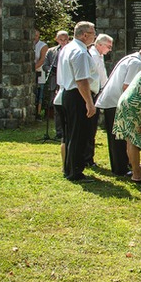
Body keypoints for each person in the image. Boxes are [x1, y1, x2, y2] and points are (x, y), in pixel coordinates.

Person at [95, 43, 141, 176]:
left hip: (111, 100)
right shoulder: (136, 62)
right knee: (119, 137)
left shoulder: (131, 58)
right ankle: (121, 169)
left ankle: (124, 164)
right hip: (115, 101)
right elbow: (127, 86)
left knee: (118, 136)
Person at [58, 22, 97, 182]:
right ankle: (75, 171)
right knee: (79, 134)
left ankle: (69, 167)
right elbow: (81, 80)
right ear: (84, 35)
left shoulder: (69, 47)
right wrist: (89, 102)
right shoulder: (80, 52)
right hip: (77, 95)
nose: (94, 36)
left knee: (71, 134)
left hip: (68, 93)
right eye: (93, 33)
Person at [85, 33, 113, 167]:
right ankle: (87, 158)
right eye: (108, 46)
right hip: (93, 92)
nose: (110, 50)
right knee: (89, 128)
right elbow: (100, 77)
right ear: (99, 45)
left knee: (92, 127)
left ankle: (88, 157)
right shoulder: (93, 55)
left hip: (97, 91)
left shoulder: (99, 55)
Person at [44, 31, 70, 139]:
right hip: (54, 82)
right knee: (56, 108)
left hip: (67, 82)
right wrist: (51, 70)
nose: (63, 42)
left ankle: (68, 130)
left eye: (65, 39)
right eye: (61, 40)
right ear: (56, 39)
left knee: (67, 107)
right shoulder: (51, 51)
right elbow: (45, 66)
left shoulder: (71, 50)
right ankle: (59, 131)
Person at [33, 29, 48, 114]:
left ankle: (38, 113)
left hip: (39, 72)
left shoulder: (42, 45)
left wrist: (32, 69)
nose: (34, 37)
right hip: (30, 72)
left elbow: (42, 60)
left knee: (39, 94)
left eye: (36, 35)